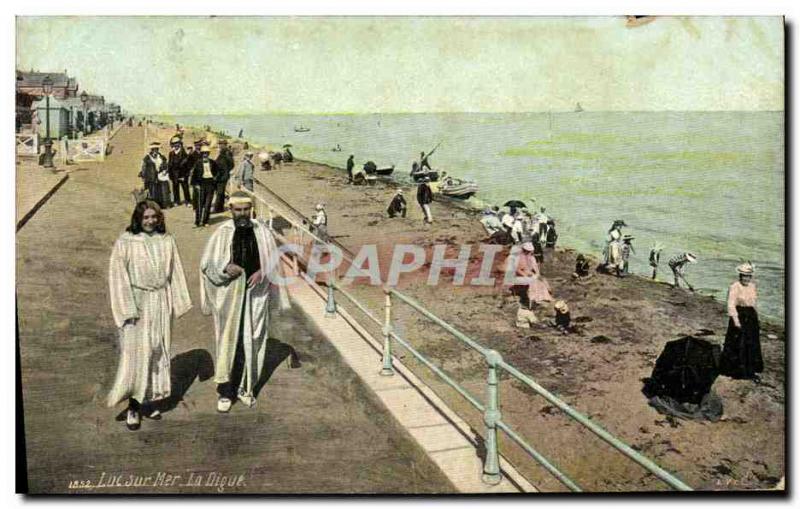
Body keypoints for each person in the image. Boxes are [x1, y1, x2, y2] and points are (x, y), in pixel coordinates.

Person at [200, 192, 291, 412]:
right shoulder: (221, 234)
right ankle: (225, 391)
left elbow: (273, 262)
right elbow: (206, 266)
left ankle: (246, 388)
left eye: (245, 210)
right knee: (229, 341)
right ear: (230, 210)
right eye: (237, 210)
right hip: (229, 297)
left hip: (256, 294)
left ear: (252, 209)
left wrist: (262, 272)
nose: (242, 214)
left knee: (254, 339)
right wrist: (225, 269)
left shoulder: (263, 232)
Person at [107, 200, 192, 430]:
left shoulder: (167, 240)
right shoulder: (126, 241)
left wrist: (177, 301)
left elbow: (176, 271)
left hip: (160, 300)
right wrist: (128, 310)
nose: (150, 221)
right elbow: (117, 276)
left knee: (157, 350)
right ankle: (133, 407)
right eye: (145, 218)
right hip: (138, 302)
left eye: (154, 217)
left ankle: (148, 400)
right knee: (137, 355)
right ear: (137, 219)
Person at [719, 263, 763, 381]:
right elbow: (730, 304)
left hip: (751, 316)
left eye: (748, 276)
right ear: (740, 276)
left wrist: (757, 319)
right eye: (744, 276)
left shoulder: (752, 286)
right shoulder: (735, 286)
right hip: (739, 315)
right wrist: (736, 320)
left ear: (751, 277)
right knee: (738, 343)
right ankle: (736, 371)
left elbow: (754, 304)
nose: (746, 278)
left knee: (751, 343)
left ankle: (750, 370)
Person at [507, 241, 552, 326]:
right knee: (531, 283)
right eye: (528, 251)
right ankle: (531, 299)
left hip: (529, 275)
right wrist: (526, 275)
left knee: (540, 281)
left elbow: (535, 268)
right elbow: (517, 270)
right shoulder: (518, 258)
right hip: (519, 276)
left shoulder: (531, 258)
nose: (529, 253)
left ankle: (540, 298)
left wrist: (536, 274)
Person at [191, 145, 219, 228]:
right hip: (201, 184)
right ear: (202, 154)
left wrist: (215, 178)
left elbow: (218, 172)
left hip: (210, 184)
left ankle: (205, 221)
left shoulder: (213, 162)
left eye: (207, 153)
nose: (205, 155)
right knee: (199, 205)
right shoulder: (198, 163)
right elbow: (194, 175)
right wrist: (195, 184)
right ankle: (197, 222)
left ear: (209, 154)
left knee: (208, 204)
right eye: (204, 153)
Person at [139, 142, 167, 208]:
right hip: (150, 177)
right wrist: (143, 175)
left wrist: (164, 170)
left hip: (160, 177)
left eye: (156, 149)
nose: (155, 151)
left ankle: (160, 204)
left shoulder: (161, 157)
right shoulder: (147, 158)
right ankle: (151, 205)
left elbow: (165, 165)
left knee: (160, 191)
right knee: (151, 191)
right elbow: (143, 167)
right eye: (153, 149)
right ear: (151, 150)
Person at [168, 136, 190, 206]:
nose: (176, 145)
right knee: (175, 188)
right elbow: (170, 165)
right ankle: (177, 201)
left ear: (180, 143)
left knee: (185, 188)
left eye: (177, 143)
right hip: (175, 174)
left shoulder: (183, 153)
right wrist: (170, 174)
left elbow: (187, 165)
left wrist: (185, 175)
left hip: (182, 174)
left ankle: (188, 201)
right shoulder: (171, 153)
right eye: (174, 143)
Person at [214, 139, 235, 213]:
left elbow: (232, 164)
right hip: (219, 175)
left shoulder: (227, 153)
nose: (219, 145)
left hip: (222, 176)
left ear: (224, 145)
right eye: (219, 144)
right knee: (220, 192)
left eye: (221, 144)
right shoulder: (221, 152)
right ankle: (220, 208)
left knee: (220, 192)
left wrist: (226, 171)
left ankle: (217, 208)